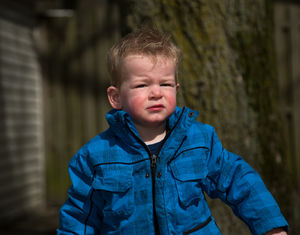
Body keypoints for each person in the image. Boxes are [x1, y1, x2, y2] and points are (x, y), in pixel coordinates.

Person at [57, 27, 288, 235]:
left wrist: (271, 227)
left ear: (176, 89)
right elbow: (79, 216)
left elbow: (239, 181)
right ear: (116, 97)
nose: (156, 92)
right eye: (142, 85)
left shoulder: (199, 140)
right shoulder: (95, 156)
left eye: (165, 84)